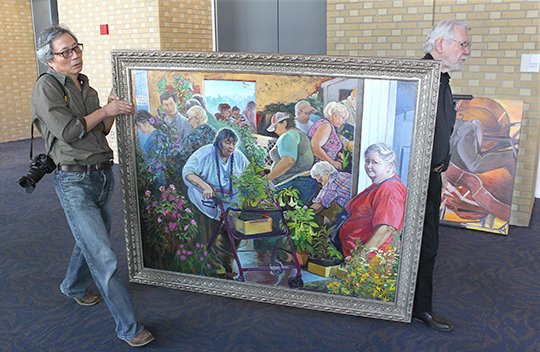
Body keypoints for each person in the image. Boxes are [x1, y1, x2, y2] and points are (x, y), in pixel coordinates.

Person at [31, 25, 154, 347]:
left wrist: (110, 109)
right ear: (50, 59)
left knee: (89, 241)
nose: (75, 56)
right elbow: (69, 131)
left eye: (77, 48)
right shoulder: (46, 88)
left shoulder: (85, 86)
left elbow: (100, 130)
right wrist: (106, 110)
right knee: (104, 256)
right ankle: (129, 328)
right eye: (66, 52)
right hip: (74, 180)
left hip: (101, 174)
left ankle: (72, 286)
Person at [413, 19, 471, 332]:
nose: (467, 52)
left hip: (432, 178)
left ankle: (418, 306)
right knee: (421, 245)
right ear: (440, 46)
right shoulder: (417, 80)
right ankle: (418, 307)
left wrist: (442, 169)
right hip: (416, 181)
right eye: (462, 45)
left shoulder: (441, 80)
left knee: (427, 245)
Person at [338, 143, 406, 258]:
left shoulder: (390, 189)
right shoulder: (379, 184)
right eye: (367, 161)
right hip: (353, 255)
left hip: (371, 261)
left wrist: (360, 258)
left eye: (374, 162)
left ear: (389, 165)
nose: (369, 166)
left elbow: (386, 228)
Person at [182, 128, 249, 221]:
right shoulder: (205, 152)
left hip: (231, 197)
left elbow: (250, 174)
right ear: (219, 142)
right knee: (193, 190)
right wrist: (205, 187)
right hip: (209, 196)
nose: (231, 147)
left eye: (234, 144)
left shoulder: (238, 155)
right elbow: (188, 173)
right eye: (227, 143)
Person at [266, 112, 318, 206]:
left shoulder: (288, 136)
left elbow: (288, 161)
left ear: (284, 123)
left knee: (279, 217)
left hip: (292, 184)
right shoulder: (298, 134)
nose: (274, 130)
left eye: (275, 127)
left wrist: (267, 179)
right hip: (302, 182)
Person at [308, 101, 349, 170]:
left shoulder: (326, 124)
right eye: (343, 118)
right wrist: (332, 162)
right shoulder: (326, 126)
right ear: (335, 115)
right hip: (321, 169)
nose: (344, 122)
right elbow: (315, 147)